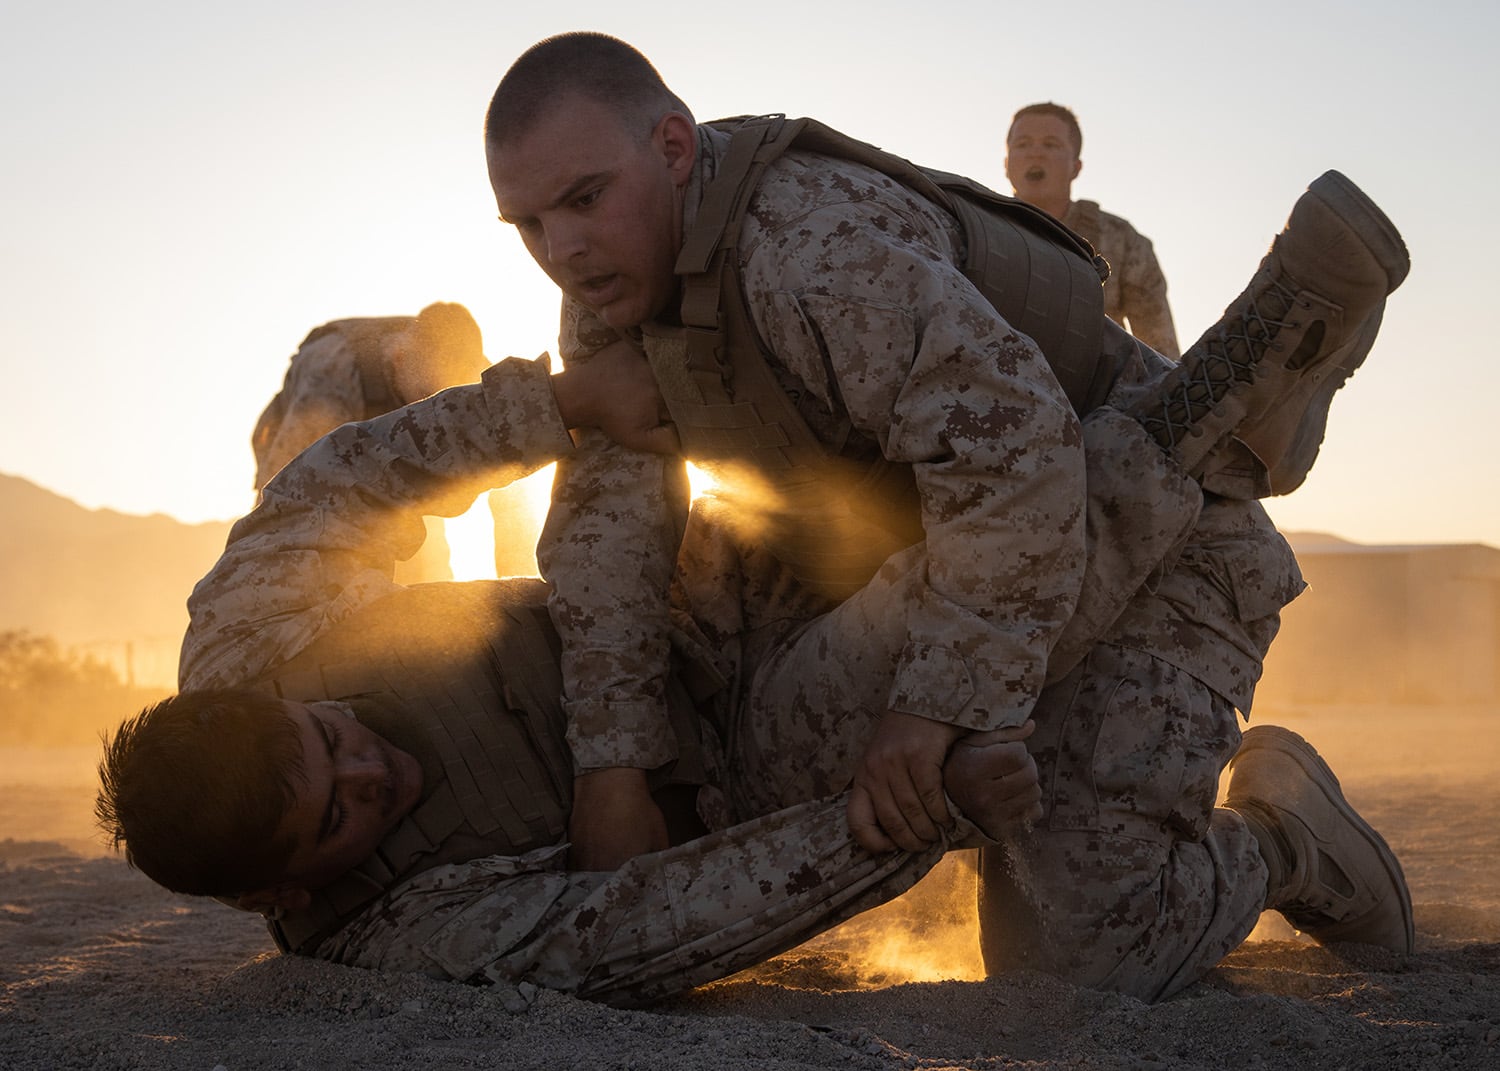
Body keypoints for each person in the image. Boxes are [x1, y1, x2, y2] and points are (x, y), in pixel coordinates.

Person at [481, 32, 1412, 999]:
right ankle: (1238, 402)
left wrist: (932, 711)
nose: (563, 250)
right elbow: (608, 528)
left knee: (1080, 967)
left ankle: (1286, 835)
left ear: (672, 148)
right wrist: (615, 770)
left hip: (1161, 548)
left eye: (584, 199)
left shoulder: (808, 253)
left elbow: (1016, 458)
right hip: (949, 559)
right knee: (737, 765)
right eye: (530, 224)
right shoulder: (618, 279)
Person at [97, 340, 1038, 1008]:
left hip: (673, 591)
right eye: (340, 813)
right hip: (752, 742)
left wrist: (560, 405)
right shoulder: (403, 934)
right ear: (282, 894)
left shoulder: (242, 639)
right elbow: (655, 923)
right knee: (978, 583)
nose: (372, 767)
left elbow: (341, 479)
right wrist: (918, 807)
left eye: (333, 735)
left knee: (649, 384)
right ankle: (1139, 465)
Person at [250, 302, 489, 583]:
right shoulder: (331, 377)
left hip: (381, 440)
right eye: (425, 394)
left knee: (424, 557)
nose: (429, 407)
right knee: (321, 558)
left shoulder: (470, 377)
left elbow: (507, 477)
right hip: (306, 453)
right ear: (400, 359)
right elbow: (280, 494)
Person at [1005, 102, 1180, 358]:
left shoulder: (1121, 241)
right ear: (1006, 163)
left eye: (1051, 144)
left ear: (1076, 167)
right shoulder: (975, 231)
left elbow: (1160, 351)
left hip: (1095, 393)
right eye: (1023, 144)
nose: (1036, 153)